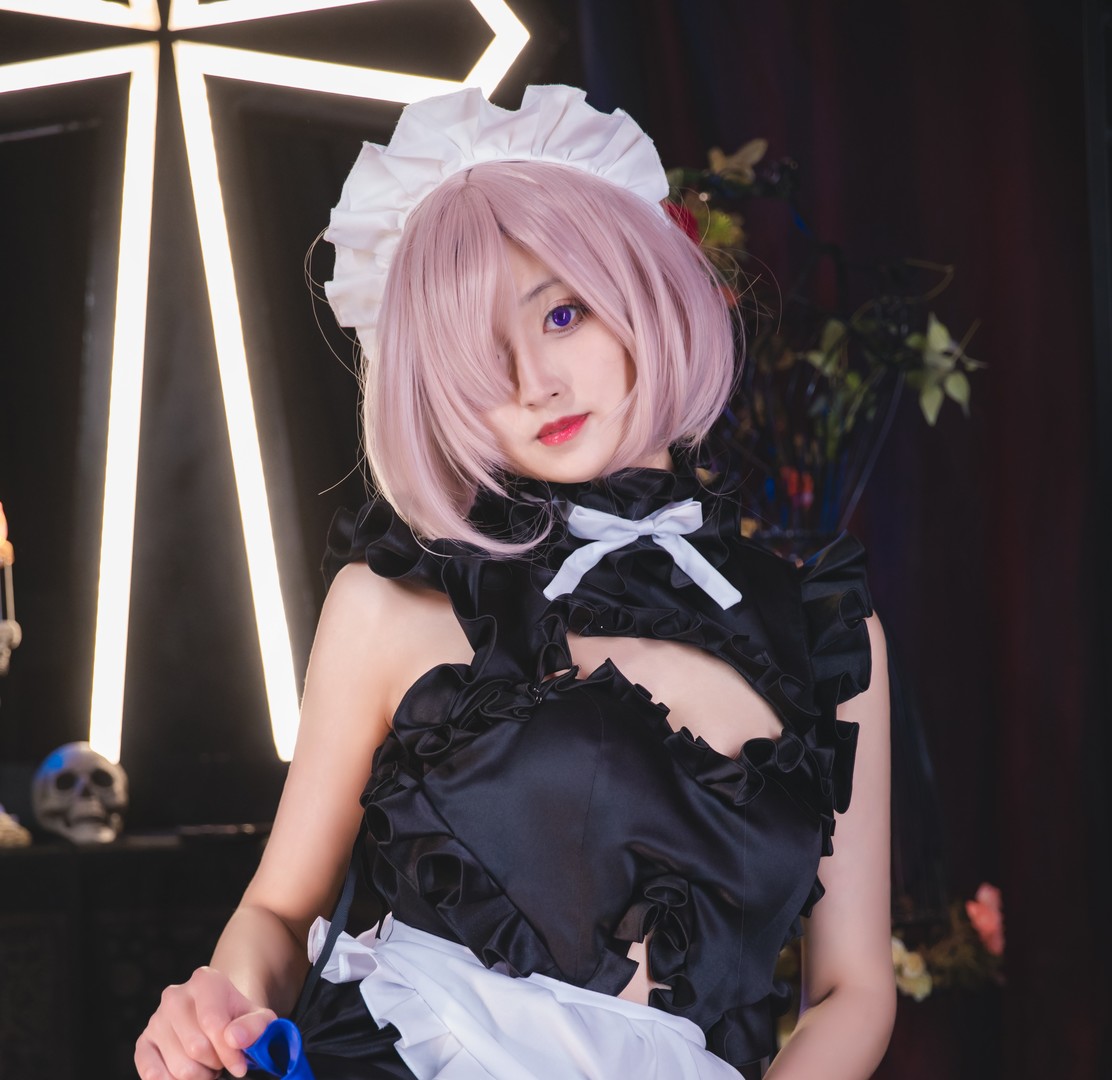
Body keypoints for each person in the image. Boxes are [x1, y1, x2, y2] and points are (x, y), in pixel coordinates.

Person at [134, 84, 895, 1080]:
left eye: (562, 314)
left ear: (644, 292)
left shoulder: (823, 631)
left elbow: (852, 991)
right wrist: (217, 1009)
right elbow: (279, 911)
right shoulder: (392, 600)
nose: (533, 383)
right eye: (476, 357)